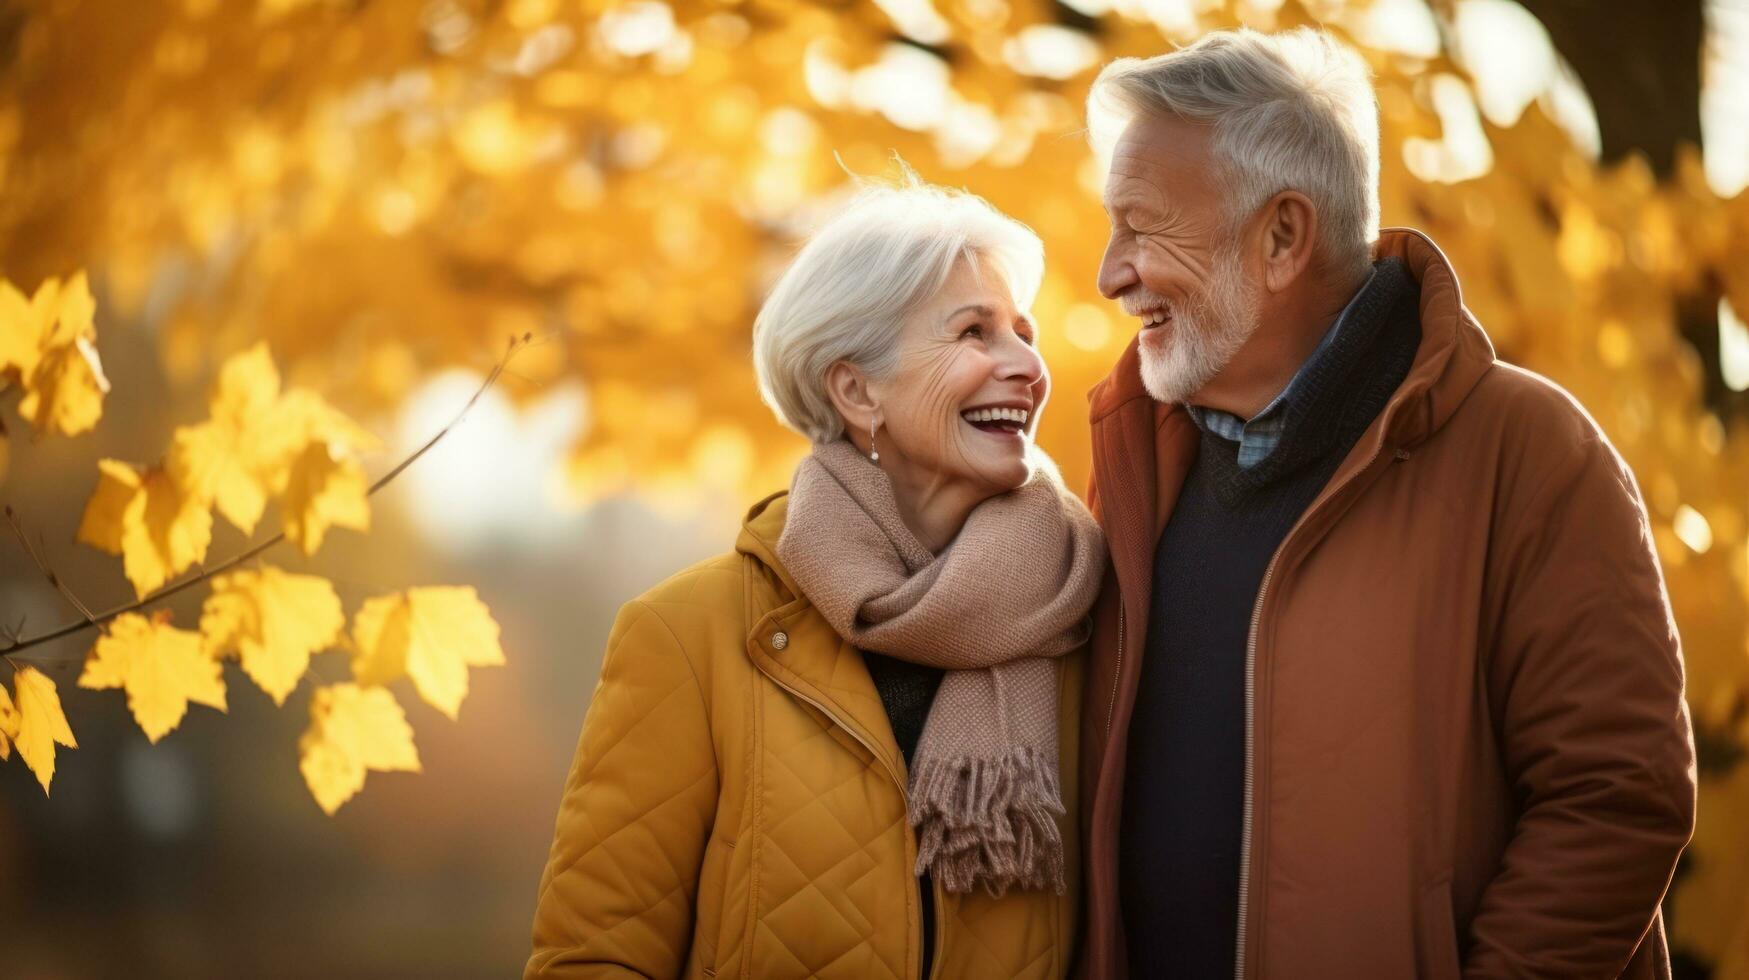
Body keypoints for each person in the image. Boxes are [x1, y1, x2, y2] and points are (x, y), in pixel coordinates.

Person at [1074, 27, 1696, 980]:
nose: (1109, 273)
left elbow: (1615, 797)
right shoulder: (1132, 462)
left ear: (1281, 236)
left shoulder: (1530, 453)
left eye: (1143, 227)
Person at [526, 178, 1106, 979]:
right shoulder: (686, 636)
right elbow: (594, 956)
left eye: (1023, 333)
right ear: (856, 391)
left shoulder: (1089, 613)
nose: (1028, 367)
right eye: (975, 332)